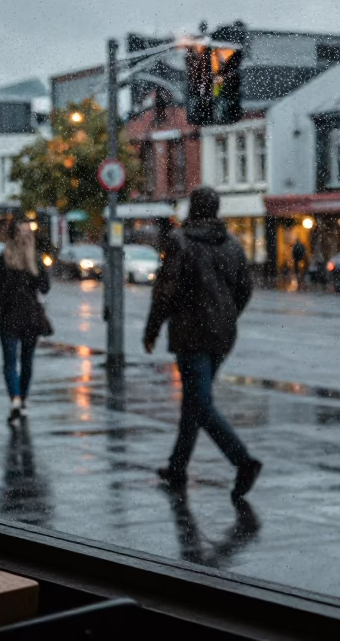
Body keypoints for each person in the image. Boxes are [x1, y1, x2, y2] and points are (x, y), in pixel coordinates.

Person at [145, 187, 262, 501]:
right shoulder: (232, 246)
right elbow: (245, 290)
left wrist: (152, 328)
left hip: (191, 334)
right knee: (194, 401)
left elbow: (165, 291)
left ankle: (243, 461)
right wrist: (227, 315)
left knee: (200, 404)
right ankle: (177, 466)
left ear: (192, 208)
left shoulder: (179, 242)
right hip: (222, 336)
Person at [0, 217, 53, 424]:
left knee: (19, 363)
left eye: (28, 233)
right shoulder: (6, 259)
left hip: (22, 319)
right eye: (22, 233)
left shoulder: (27, 259)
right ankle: (18, 400)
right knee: (17, 362)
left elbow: (44, 287)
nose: (26, 237)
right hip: (16, 318)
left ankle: (18, 400)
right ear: (14, 235)